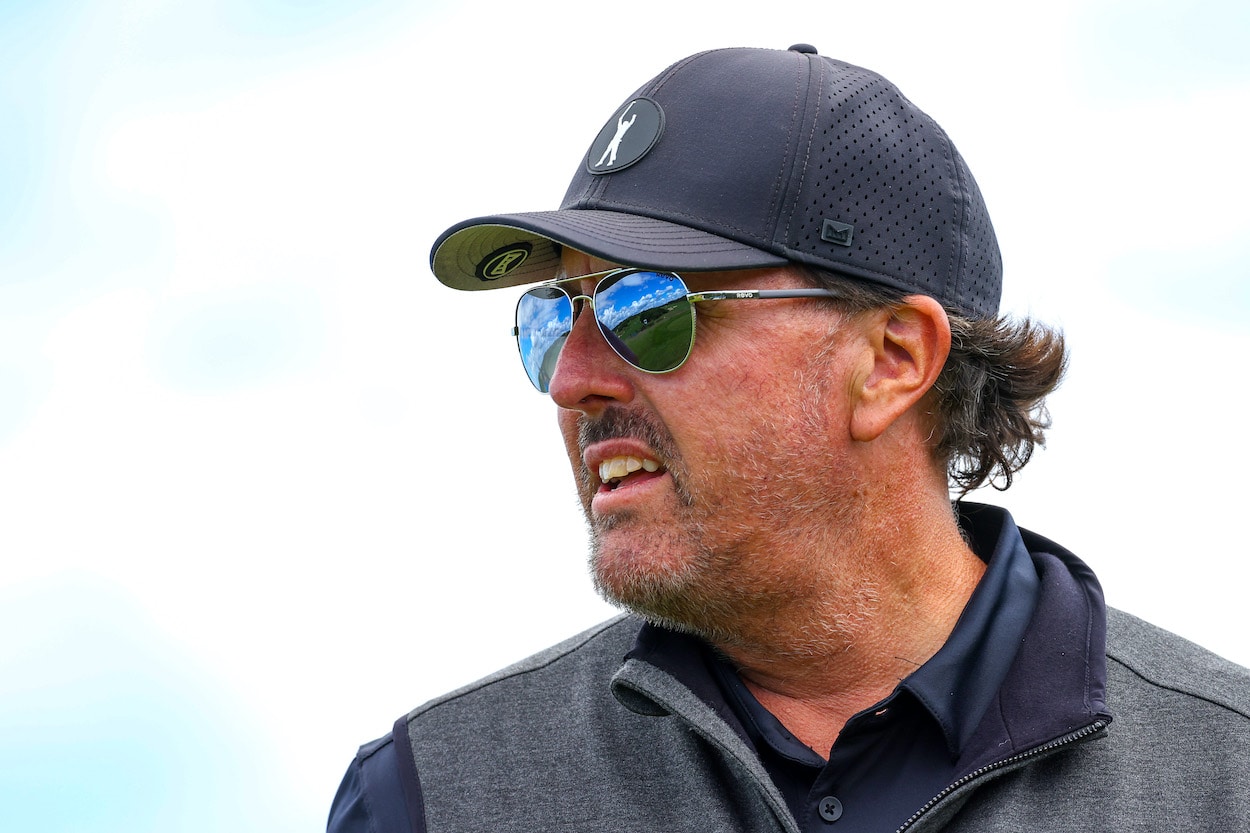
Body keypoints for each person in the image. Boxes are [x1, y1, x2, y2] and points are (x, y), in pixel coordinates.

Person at [328, 45, 1250, 832]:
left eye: (646, 307)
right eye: (552, 316)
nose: (571, 380)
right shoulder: (432, 795)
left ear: (892, 359)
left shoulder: (1226, 776)